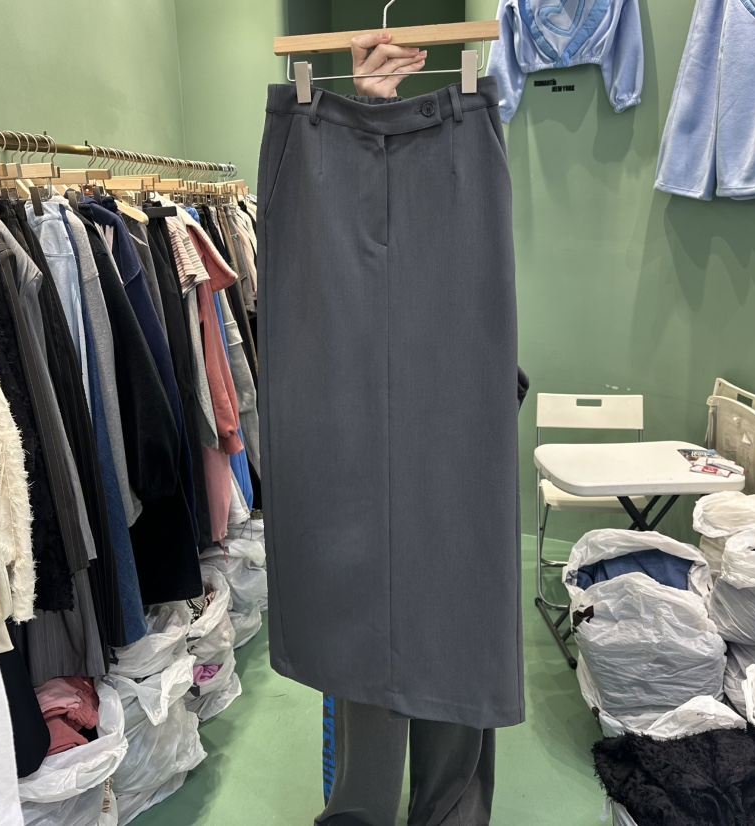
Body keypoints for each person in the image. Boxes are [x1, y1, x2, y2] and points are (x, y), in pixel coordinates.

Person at [300, 33, 524, 826]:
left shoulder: (468, 178)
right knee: (368, 607)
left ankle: (444, 804)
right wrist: (370, 111)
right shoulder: (344, 194)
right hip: (368, 404)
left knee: (454, 597)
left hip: (451, 403)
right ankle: (381, 808)